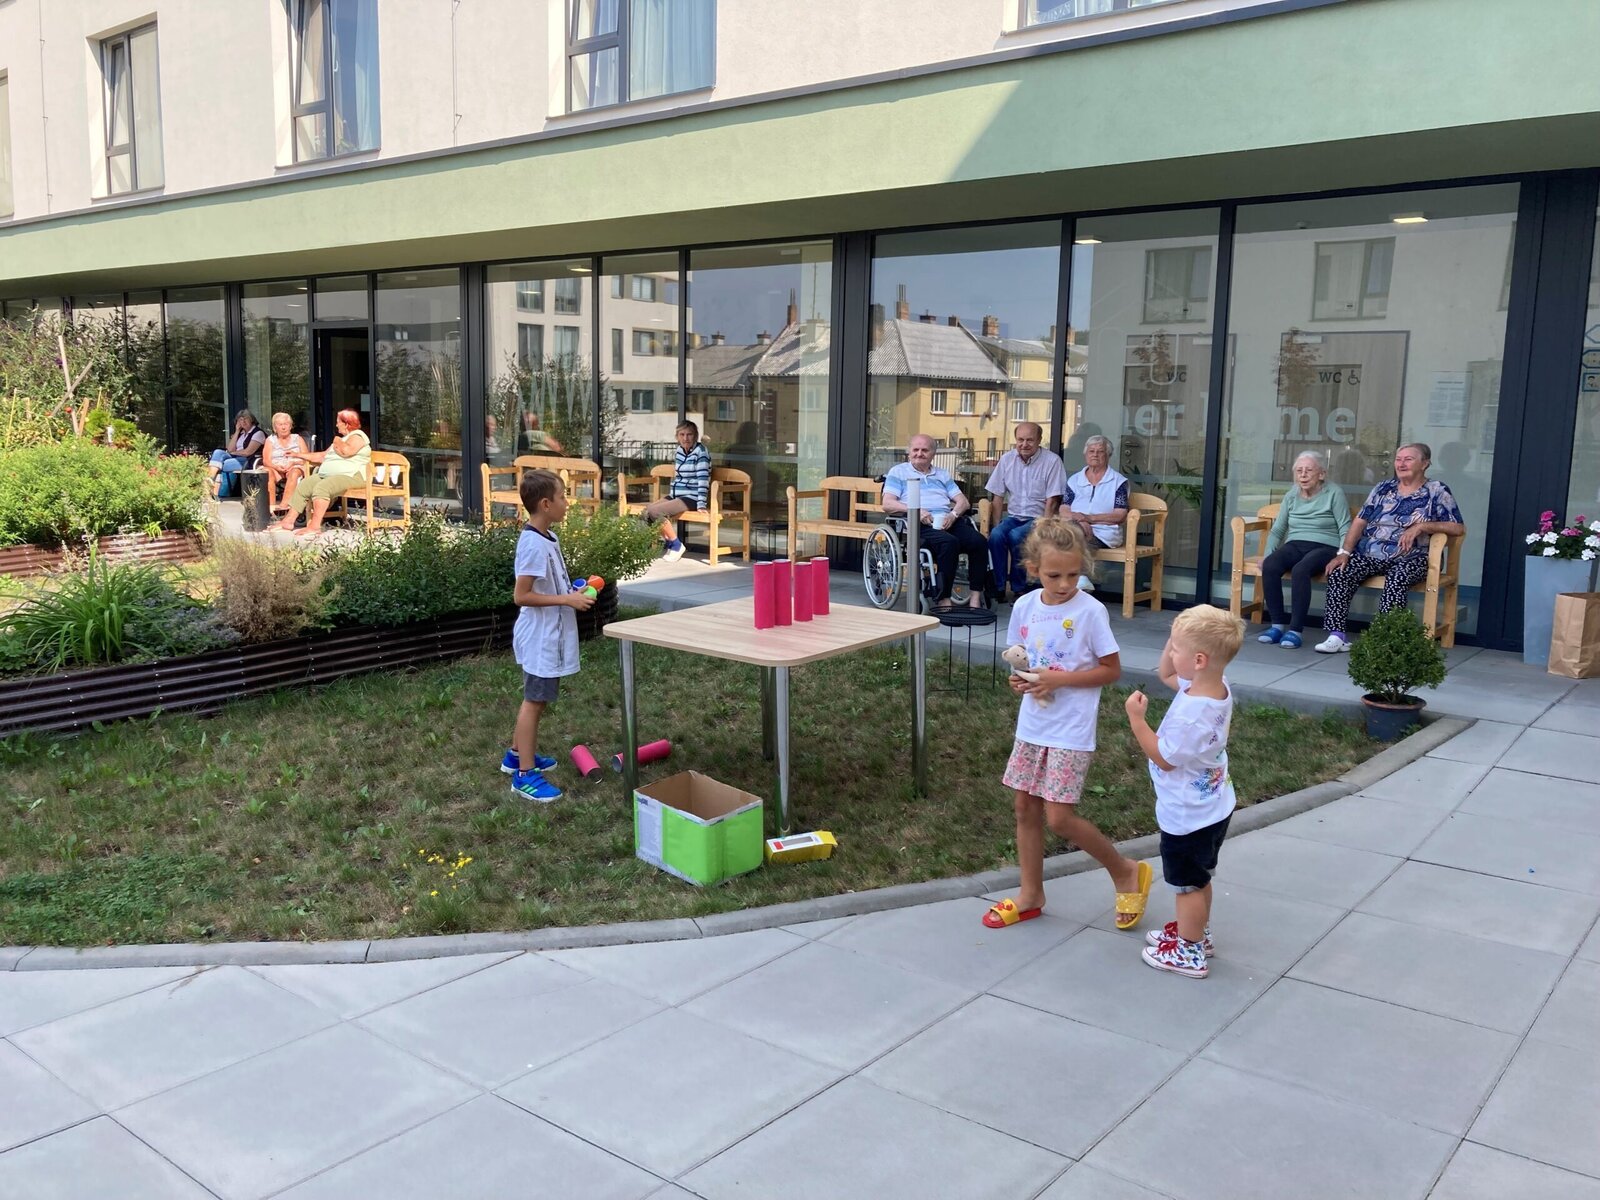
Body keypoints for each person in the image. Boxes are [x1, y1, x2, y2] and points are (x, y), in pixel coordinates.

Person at [981, 517, 1152, 931]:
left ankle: (1125, 870)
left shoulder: (1090, 612)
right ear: (1033, 569)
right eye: (1054, 575)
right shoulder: (1025, 607)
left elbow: (1111, 670)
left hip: (1070, 731)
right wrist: (1020, 682)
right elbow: (1024, 659)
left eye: (1073, 575)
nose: (1064, 584)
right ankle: (1031, 894)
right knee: (1025, 807)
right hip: (1033, 726)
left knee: (1059, 818)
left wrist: (1060, 680)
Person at [1124, 604, 1245, 979]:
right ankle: (1197, 934)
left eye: (1176, 648)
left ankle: (1189, 952)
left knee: (1187, 885)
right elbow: (1166, 673)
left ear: (1199, 660)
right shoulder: (1214, 687)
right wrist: (1176, 639)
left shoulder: (1193, 714)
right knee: (1200, 878)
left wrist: (1137, 720)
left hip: (1188, 816)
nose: (1170, 653)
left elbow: (1164, 758)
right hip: (1212, 807)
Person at [1314, 442, 1465, 653]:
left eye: (1408, 459)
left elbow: (1457, 527)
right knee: (1341, 571)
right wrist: (1344, 552)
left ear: (1425, 464)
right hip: (1371, 553)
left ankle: (1386, 638)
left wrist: (1422, 526)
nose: (1401, 464)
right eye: (1398, 459)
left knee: (1397, 578)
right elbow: (1360, 521)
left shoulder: (1437, 490)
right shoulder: (1383, 488)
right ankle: (1336, 636)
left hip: (1414, 556)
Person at [505, 469, 594, 802]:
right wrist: (566, 600)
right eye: (562, 496)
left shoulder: (548, 538)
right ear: (545, 504)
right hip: (540, 638)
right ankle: (525, 775)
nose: (567, 503)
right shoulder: (532, 544)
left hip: (547, 635)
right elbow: (521, 595)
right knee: (534, 702)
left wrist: (573, 590)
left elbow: (549, 584)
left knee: (537, 699)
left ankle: (516, 755)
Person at [881, 433, 990, 610]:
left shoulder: (942, 474)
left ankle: (975, 598)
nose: (919, 453)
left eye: (925, 450)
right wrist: (915, 511)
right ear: (909, 451)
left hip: (946, 520)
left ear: (933, 453)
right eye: (915, 449)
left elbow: (963, 502)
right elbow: (887, 504)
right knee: (949, 543)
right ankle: (943, 598)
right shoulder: (898, 472)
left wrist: (953, 515)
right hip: (917, 524)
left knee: (979, 542)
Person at [1256, 451, 1350, 649]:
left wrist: (1342, 554)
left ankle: (1295, 630)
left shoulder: (1334, 492)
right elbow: (1278, 529)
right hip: (1296, 543)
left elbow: (1344, 527)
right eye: (1299, 471)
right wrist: (1267, 555)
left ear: (1321, 474)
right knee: (1271, 565)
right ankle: (1277, 625)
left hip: (1326, 546)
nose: (1303, 475)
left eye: (1309, 470)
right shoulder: (1292, 495)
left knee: (1301, 570)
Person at [985, 422, 1067, 603]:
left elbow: (1053, 499)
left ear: (1039, 440)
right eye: (1020, 440)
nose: (1024, 444)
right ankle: (999, 587)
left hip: (1038, 518)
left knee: (1016, 536)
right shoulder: (1007, 460)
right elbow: (997, 495)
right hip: (1013, 516)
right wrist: (996, 524)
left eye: (1030, 440)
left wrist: (1044, 526)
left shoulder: (1052, 461)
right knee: (997, 536)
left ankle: (1019, 588)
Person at [268, 408, 372, 538]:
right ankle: (288, 521)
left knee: (322, 488)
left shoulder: (358, 436)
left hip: (353, 476)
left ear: (346, 424)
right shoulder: (342, 439)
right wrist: (297, 455)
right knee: (305, 485)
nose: (336, 425)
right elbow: (322, 456)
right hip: (332, 476)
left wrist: (337, 440)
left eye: (338, 422)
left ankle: (314, 526)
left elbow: (347, 451)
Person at [643, 420, 710, 563]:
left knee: (656, 512)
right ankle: (668, 543)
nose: (685, 438)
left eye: (689, 434)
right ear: (677, 436)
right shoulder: (679, 451)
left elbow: (703, 479)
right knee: (647, 511)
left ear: (695, 436)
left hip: (691, 497)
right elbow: (679, 476)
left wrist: (701, 504)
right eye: (682, 435)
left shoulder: (701, 452)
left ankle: (676, 545)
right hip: (677, 494)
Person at [1062, 434, 1130, 550]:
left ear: (1108, 455)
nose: (1095, 454)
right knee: (1052, 537)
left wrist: (1089, 519)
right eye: (1091, 451)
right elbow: (1064, 509)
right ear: (1086, 454)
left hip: (1104, 534)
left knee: (1068, 541)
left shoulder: (1118, 482)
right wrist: (1079, 521)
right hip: (1074, 527)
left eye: (1100, 451)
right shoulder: (1075, 480)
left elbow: (1120, 515)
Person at [206, 409, 266, 499]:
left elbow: (248, 452)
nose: (243, 421)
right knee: (218, 452)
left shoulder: (258, 433)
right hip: (236, 457)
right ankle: (209, 482)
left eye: (246, 419)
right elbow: (230, 449)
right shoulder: (241, 434)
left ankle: (210, 490)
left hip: (249, 460)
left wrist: (234, 453)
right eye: (240, 420)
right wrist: (237, 431)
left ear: (252, 420)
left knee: (222, 464)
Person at [261, 412, 309, 514]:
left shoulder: (298, 439)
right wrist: (276, 467)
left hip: (295, 466)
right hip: (275, 468)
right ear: (275, 428)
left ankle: (283, 506)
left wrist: (292, 463)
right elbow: (266, 461)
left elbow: (306, 458)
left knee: (294, 472)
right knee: (267, 472)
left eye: (286, 424)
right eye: (280, 424)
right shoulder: (270, 440)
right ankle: (271, 508)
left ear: (290, 426)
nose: (283, 427)